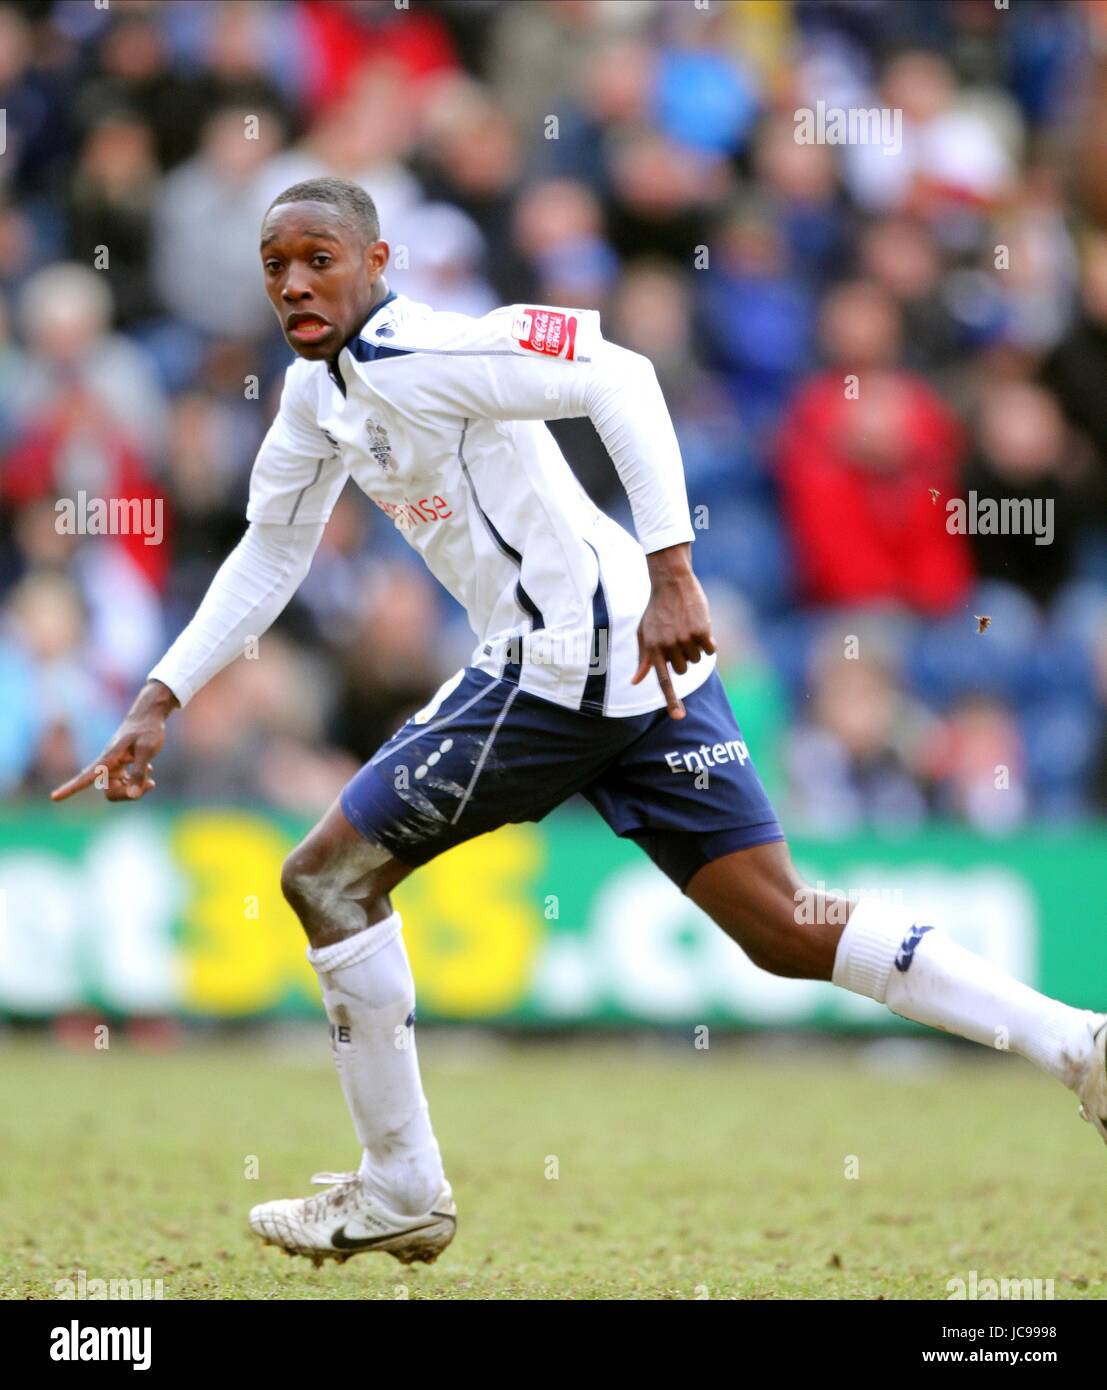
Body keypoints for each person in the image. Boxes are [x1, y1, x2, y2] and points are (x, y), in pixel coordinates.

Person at [51, 177, 1107, 1268]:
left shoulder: (443, 352)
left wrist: (677, 568)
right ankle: (1081, 1046)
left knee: (326, 877)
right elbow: (272, 551)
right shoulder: (318, 401)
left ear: (378, 260)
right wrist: (162, 691)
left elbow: (626, 375)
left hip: (563, 670)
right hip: (643, 671)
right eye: (277, 265)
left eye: (320, 257)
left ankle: (402, 1186)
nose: (295, 283)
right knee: (784, 923)